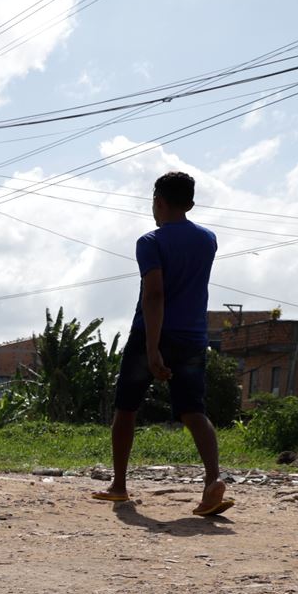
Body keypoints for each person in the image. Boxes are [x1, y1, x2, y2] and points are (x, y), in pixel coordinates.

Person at [93, 171, 229, 516]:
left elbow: (154, 294)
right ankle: (213, 479)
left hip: (152, 334)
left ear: (158, 201)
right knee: (193, 410)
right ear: (191, 203)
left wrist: (153, 348)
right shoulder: (208, 239)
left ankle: (120, 485)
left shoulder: (150, 242)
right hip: (194, 336)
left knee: (126, 408)